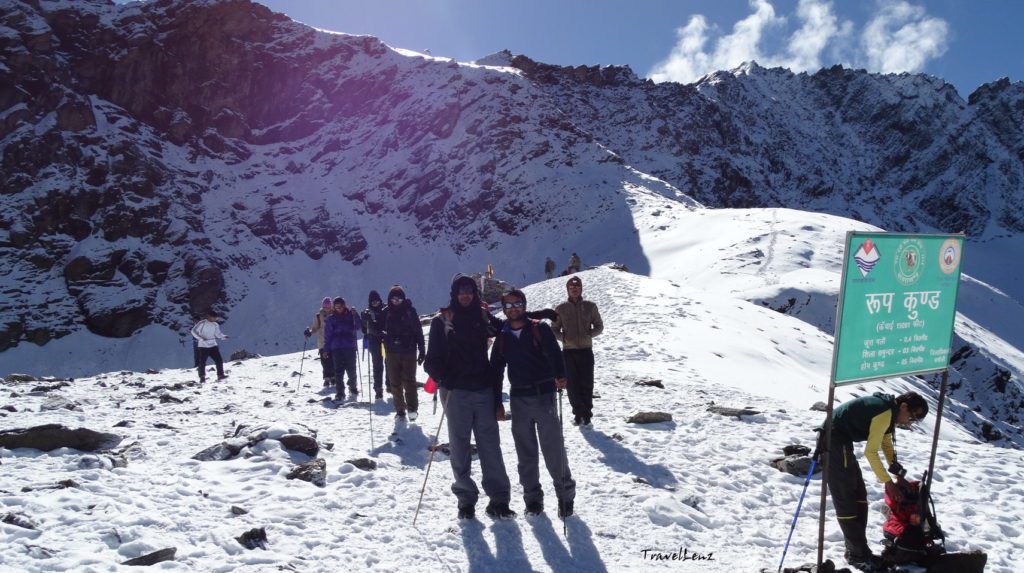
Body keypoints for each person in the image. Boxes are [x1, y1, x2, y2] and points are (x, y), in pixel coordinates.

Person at [424, 274, 514, 520]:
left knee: (490, 446)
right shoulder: (442, 321)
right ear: (454, 293)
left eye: (469, 290)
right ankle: (466, 500)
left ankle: (499, 499)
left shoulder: (482, 317)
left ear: (475, 293)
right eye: (461, 290)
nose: (466, 294)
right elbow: (431, 361)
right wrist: (444, 378)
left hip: (483, 390)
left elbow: (508, 327)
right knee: (460, 446)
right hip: (455, 393)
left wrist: (537, 316)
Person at [490, 288, 576, 518]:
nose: (513, 309)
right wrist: (497, 403)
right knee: (525, 453)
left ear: (524, 304)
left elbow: (556, 355)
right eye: (507, 306)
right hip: (518, 400)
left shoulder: (540, 329)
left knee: (553, 449)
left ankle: (565, 496)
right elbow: (496, 371)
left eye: (516, 304)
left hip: (544, 395)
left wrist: (561, 375)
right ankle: (533, 500)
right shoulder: (503, 336)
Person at [822, 391, 929, 571]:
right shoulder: (884, 413)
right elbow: (870, 452)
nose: (908, 422)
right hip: (833, 441)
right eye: (911, 417)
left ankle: (859, 551)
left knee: (859, 497)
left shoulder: (889, 411)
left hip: (841, 442)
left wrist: (898, 474)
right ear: (903, 407)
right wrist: (888, 483)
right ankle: (857, 555)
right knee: (847, 500)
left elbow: (886, 443)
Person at [552, 276, 603, 426]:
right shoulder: (560, 309)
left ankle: (587, 413)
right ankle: (577, 413)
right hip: (568, 351)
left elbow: (599, 326)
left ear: (581, 289)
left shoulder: (590, 307)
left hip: (586, 350)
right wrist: (564, 338)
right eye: (571, 288)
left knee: (587, 383)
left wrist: (589, 335)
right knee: (572, 384)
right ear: (567, 290)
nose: (574, 290)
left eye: (577, 287)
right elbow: (554, 329)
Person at [382, 285, 425, 418]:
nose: (396, 302)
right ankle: (400, 409)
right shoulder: (385, 312)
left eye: (399, 299)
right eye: (393, 299)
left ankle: (412, 409)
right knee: (394, 382)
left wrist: (422, 349)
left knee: (409, 381)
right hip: (391, 352)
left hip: (409, 351)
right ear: (389, 299)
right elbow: (376, 330)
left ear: (403, 299)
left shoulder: (410, 312)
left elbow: (418, 331)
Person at [323, 297, 362, 401]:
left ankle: (353, 388)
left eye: (340, 307)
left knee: (351, 369)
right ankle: (340, 392)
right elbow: (328, 335)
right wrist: (326, 349)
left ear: (344, 306)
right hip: (336, 348)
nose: (338, 309)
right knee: (338, 371)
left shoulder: (351, 315)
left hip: (349, 346)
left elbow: (359, 326)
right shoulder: (331, 319)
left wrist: (356, 315)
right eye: (336, 307)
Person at [361, 291, 387, 399]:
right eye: (373, 302)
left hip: (385, 341)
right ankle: (378, 389)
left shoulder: (386, 310)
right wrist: (365, 320)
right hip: (375, 342)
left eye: (376, 301)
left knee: (388, 363)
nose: (375, 303)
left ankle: (389, 385)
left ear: (380, 300)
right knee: (377, 365)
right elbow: (364, 330)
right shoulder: (367, 313)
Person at [191, 310, 228, 382]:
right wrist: (200, 338)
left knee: (219, 360)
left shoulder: (215, 324)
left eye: (215, 318)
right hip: (203, 346)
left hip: (213, 345)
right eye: (214, 317)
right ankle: (202, 377)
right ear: (209, 316)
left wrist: (223, 337)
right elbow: (193, 331)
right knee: (202, 362)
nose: (215, 319)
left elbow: (218, 334)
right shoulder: (202, 323)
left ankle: (220, 375)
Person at [305, 297, 334, 388]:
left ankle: (334, 378)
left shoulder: (335, 314)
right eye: (325, 307)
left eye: (328, 307)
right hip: (322, 342)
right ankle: (326, 379)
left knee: (333, 360)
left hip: (333, 342)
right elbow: (315, 328)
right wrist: (310, 332)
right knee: (324, 361)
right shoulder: (319, 316)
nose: (327, 309)